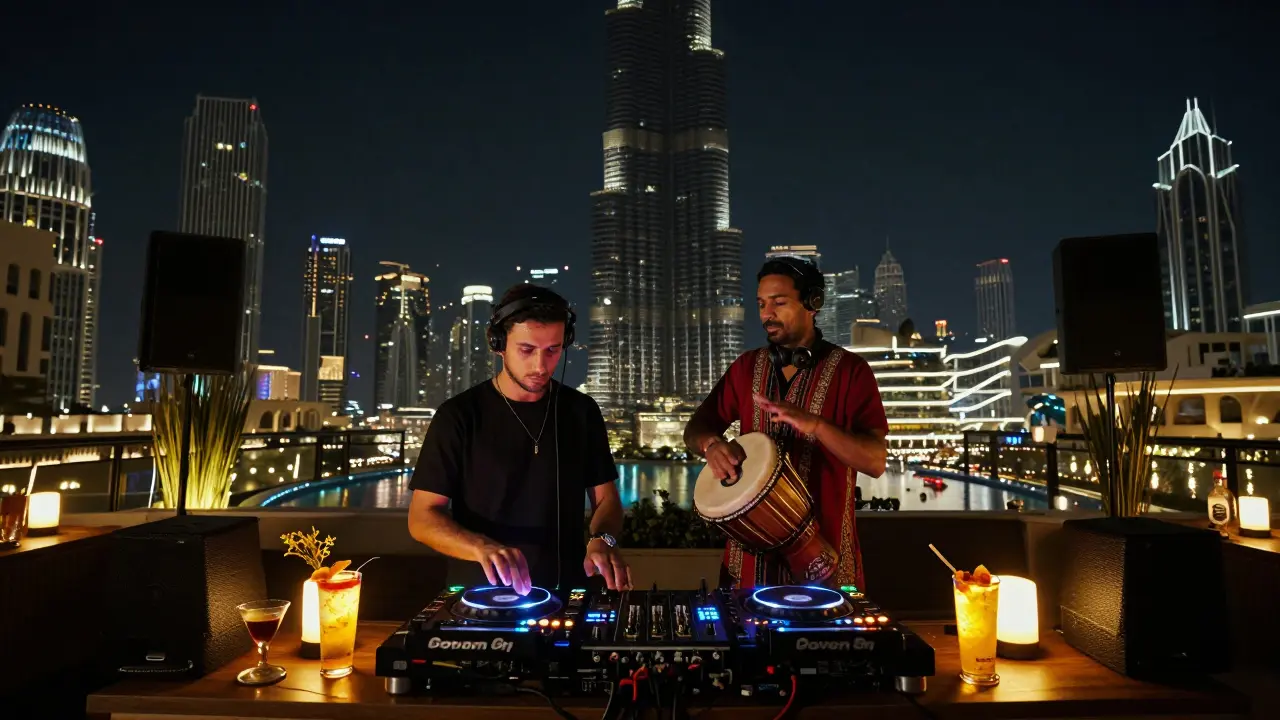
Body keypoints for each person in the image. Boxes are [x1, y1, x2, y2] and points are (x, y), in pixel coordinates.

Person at [408, 284, 631, 596]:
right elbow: (421, 518)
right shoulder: (457, 416)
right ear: (499, 344)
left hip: (565, 591)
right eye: (527, 350)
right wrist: (481, 547)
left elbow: (606, 500)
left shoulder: (581, 411)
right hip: (478, 595)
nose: (540, 366)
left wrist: (603, 539)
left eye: (553, 350)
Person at [683, 256, 889, 590]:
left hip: (826, 560)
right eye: (761, 304)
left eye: (779, 302)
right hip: (747, 568)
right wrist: (711, 445)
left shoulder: (852, 372)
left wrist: (817, 426)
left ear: (812, 303)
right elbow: (696, 427)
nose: (767, 314)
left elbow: (876, 461)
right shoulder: (746, 367)